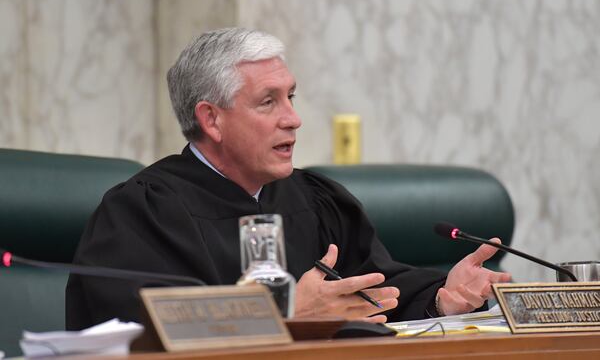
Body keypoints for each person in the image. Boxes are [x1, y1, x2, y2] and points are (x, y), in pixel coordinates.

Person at [66, 28, 511, 329]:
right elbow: (140, 329)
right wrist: (286, 313)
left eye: (291, 97)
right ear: (212, 120)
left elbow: (378, 288)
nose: (294, 119)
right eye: (268, 102)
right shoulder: (143, 212)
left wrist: (442, 300)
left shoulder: (315, 199)